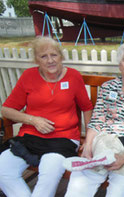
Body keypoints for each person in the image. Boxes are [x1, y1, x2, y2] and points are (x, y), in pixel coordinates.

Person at [0, 36, 93, 197]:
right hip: (30, 137)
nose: (50, 60)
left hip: (63, 139)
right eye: (44, 56)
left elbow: (87, 107)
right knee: (3, 170)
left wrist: (91, 140)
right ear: (37, 60)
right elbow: (7, 110)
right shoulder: (29, 76)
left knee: (47, 177)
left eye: (54, 55)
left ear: (61, 56)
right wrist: (32, 120)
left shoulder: (73, 76)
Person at [64, 40, 124, 197]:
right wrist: (88, 147)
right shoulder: (108, 88)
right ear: (119, 64)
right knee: (79, 186)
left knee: (119, 192)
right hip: (103, 143)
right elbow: (96, 121)